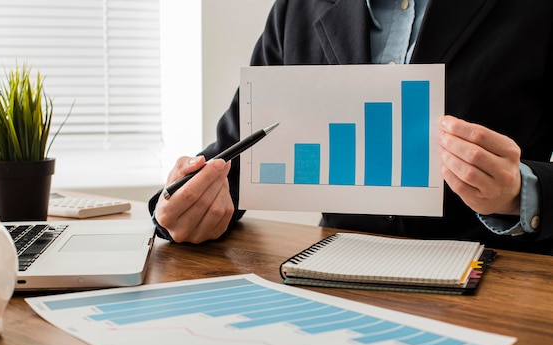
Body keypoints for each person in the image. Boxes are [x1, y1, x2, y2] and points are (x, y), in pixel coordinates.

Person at [149, 0, 553, 255]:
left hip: (501, 285)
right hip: (334, 282)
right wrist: (185, 205)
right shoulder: (296, 8)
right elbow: (234, 160)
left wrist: (522, 194)